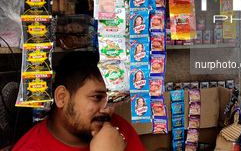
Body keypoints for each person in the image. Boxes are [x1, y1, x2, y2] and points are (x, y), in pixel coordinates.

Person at [12, 52, 146, 151]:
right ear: (61, 97)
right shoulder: (31, 148)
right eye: (97, 97)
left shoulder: (118, 128)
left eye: (112, 98)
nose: (108, 109)